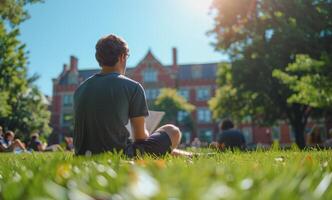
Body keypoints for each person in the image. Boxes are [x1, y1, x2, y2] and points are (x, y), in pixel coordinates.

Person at [73, 34, 183, 157]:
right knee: (172, 131)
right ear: (122, 57)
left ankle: (190, 155)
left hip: (82, 154)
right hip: (120, 154)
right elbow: (140, 138)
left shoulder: (80, 89)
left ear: (99, 58)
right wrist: (148, 133)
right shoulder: (132, 87)